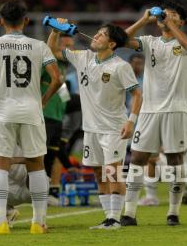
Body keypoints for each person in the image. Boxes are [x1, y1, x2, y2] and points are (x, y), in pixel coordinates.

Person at [0, 0, 62, 235]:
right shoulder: (39, 46)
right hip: (32, 110)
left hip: (2, 111)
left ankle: (2, 222)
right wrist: (42, 101)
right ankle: (39, 222)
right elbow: (57, 79)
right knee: (37, 165)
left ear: (1, 20)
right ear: (27, 21)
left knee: (0, 165)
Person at [48, 21, 142, 230]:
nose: (96, 36)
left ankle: (116, 218)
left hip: (114, 128)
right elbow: (52, 51)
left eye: (102, 35)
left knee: (112, 172)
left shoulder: (121, 66)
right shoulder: (84, 57)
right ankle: (108, 217)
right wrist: (55, 31)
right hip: (90, 129)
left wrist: (131, 121)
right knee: (99, 173)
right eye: (97, 33)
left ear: (112, 44)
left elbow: (137, 94)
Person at [122, 1, 187, 227]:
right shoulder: (149, 42)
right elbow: (121, 40)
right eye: (165, 13)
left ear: (181, 22)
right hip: (149, 110)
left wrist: (170, 24)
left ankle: (173, 212)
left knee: (175, 159)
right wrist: (144, 20)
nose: (166, 16)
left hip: (176, 108)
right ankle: (129, 213)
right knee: (137, 158)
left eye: (173, 14)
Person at [42, 34, 73, 203]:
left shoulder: (63, 67)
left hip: (57, 115)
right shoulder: (47, 64)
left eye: (71, 46)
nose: (69, 50)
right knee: (44, 154)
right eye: (65, 46)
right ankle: (40, 191)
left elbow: (64, 95)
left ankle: (51, 191)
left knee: (53, 153)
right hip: (46, 114)